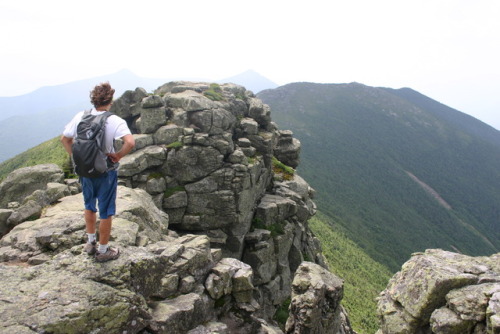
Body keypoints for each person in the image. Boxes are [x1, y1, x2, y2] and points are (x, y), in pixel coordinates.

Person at [61, 82, 135, 262]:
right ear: (110, 100)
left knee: (89, 205)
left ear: (93, 99)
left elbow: (65, 139)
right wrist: (118, 155)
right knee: (106, 210)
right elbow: (130, 143)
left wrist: (78, 159)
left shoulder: (81, 116)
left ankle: (90, 243)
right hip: (105, 172)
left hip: (85, 171)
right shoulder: (114, 120)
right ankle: (103, 251)